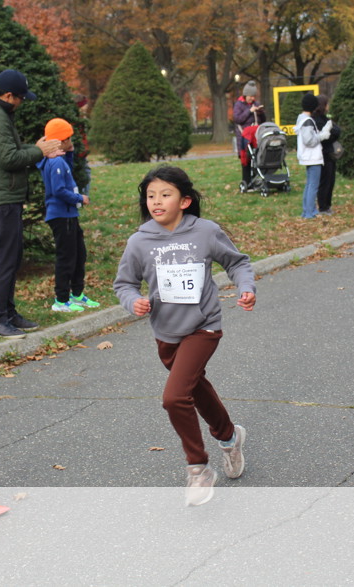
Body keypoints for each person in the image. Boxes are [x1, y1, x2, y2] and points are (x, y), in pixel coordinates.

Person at [113, 165, 256, 506]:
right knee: (194, 387)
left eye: (165, 194)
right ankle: (229, 437)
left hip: (203, 325)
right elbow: (124, 284)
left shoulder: (205, 232)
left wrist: (246, 287)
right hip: (166, 330)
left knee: (175, 397)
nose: (156, 201)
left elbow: (236, 262)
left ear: (185, 201)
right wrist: (133, 301)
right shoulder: (139, 241)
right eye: (150, 196)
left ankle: (198, 468)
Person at [0, 68, 61, 339]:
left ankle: (8, 314)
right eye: (20, 97)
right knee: (1, 260)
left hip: (3, 197)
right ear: (9, 96)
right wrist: (39, 151)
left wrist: (34, 149)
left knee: (10, 258)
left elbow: (9, 151)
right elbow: (8, 159)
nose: (22, 102)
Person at [38, 117, 100, 314]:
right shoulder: (55, 161)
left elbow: (68, 172)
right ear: (60, 141)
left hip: (69, 215)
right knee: (67, 258)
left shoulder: (59, 160)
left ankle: (77, 294)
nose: (71, 141)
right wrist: (79, 198)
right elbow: (58, 190)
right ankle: (61, 299)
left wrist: (70, 152)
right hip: (61, 216)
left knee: (79, 254)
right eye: (69, 139)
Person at [296, 92, 333, 219]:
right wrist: (322, 135)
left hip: (308, 157)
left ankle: (307, 210)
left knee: (309, 185)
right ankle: (309, 213)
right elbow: (309, 140)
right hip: (312, 157)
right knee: (313, 185)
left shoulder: (302, 119)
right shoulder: (307, 121)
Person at [232, 81, 266, 187]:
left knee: (256, 159)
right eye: (250, 96)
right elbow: (237, 119)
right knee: (246, 160)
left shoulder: (256, 104)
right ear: (245, 95)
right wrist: (249, 111)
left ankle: (255, 180)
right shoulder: (238, 105)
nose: (252, 98)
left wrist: (261, 112)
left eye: (254, 96)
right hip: (244, 137)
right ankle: (246, 182)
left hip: (255, 136)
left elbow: (263, 120)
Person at [312, 94, 341, 215]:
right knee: (325, 180)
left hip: (330, 153)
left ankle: (327, 205)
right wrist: (333, 133)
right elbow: (325, 137)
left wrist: (333, 132)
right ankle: (323, 206)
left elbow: (336, 130)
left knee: (331, 180)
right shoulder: (317, 120)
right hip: (323, 154)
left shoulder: (325, 118)